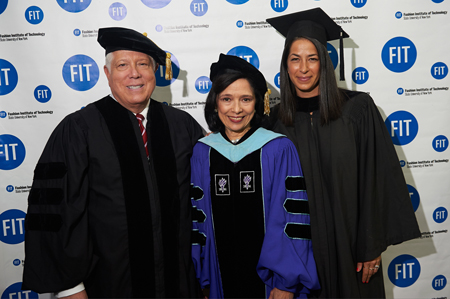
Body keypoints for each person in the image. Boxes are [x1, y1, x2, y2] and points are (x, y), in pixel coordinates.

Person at [22, 27, 204, 298]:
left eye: (143, 64)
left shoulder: (182, 127)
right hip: (107, 285)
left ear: (154, 72)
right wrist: (70, 288)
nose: (134, 73)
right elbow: (58, 212)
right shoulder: (79, 130)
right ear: (107, 74)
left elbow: (203, 205)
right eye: (122, 65)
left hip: (179, 284)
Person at [266, 8, 421, 298]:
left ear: (324, 62)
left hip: (353, 251)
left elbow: (376, 178)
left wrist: (371, 245)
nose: (303, 68)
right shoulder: (274, 123)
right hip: (301, 259)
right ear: (285, 65)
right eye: (295, 59)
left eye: (312, 58)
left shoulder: (357, 110)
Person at [190, 54, 320, 299]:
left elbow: (291, 219)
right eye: (226, 99)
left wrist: (285, 283)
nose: (236, 109)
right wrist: (202, 278)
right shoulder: (203, 152)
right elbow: (198, 222)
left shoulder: (278, 149)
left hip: (271, 284)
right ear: (215, 103)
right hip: (219, 281)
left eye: (246, 99)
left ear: (259, 103)